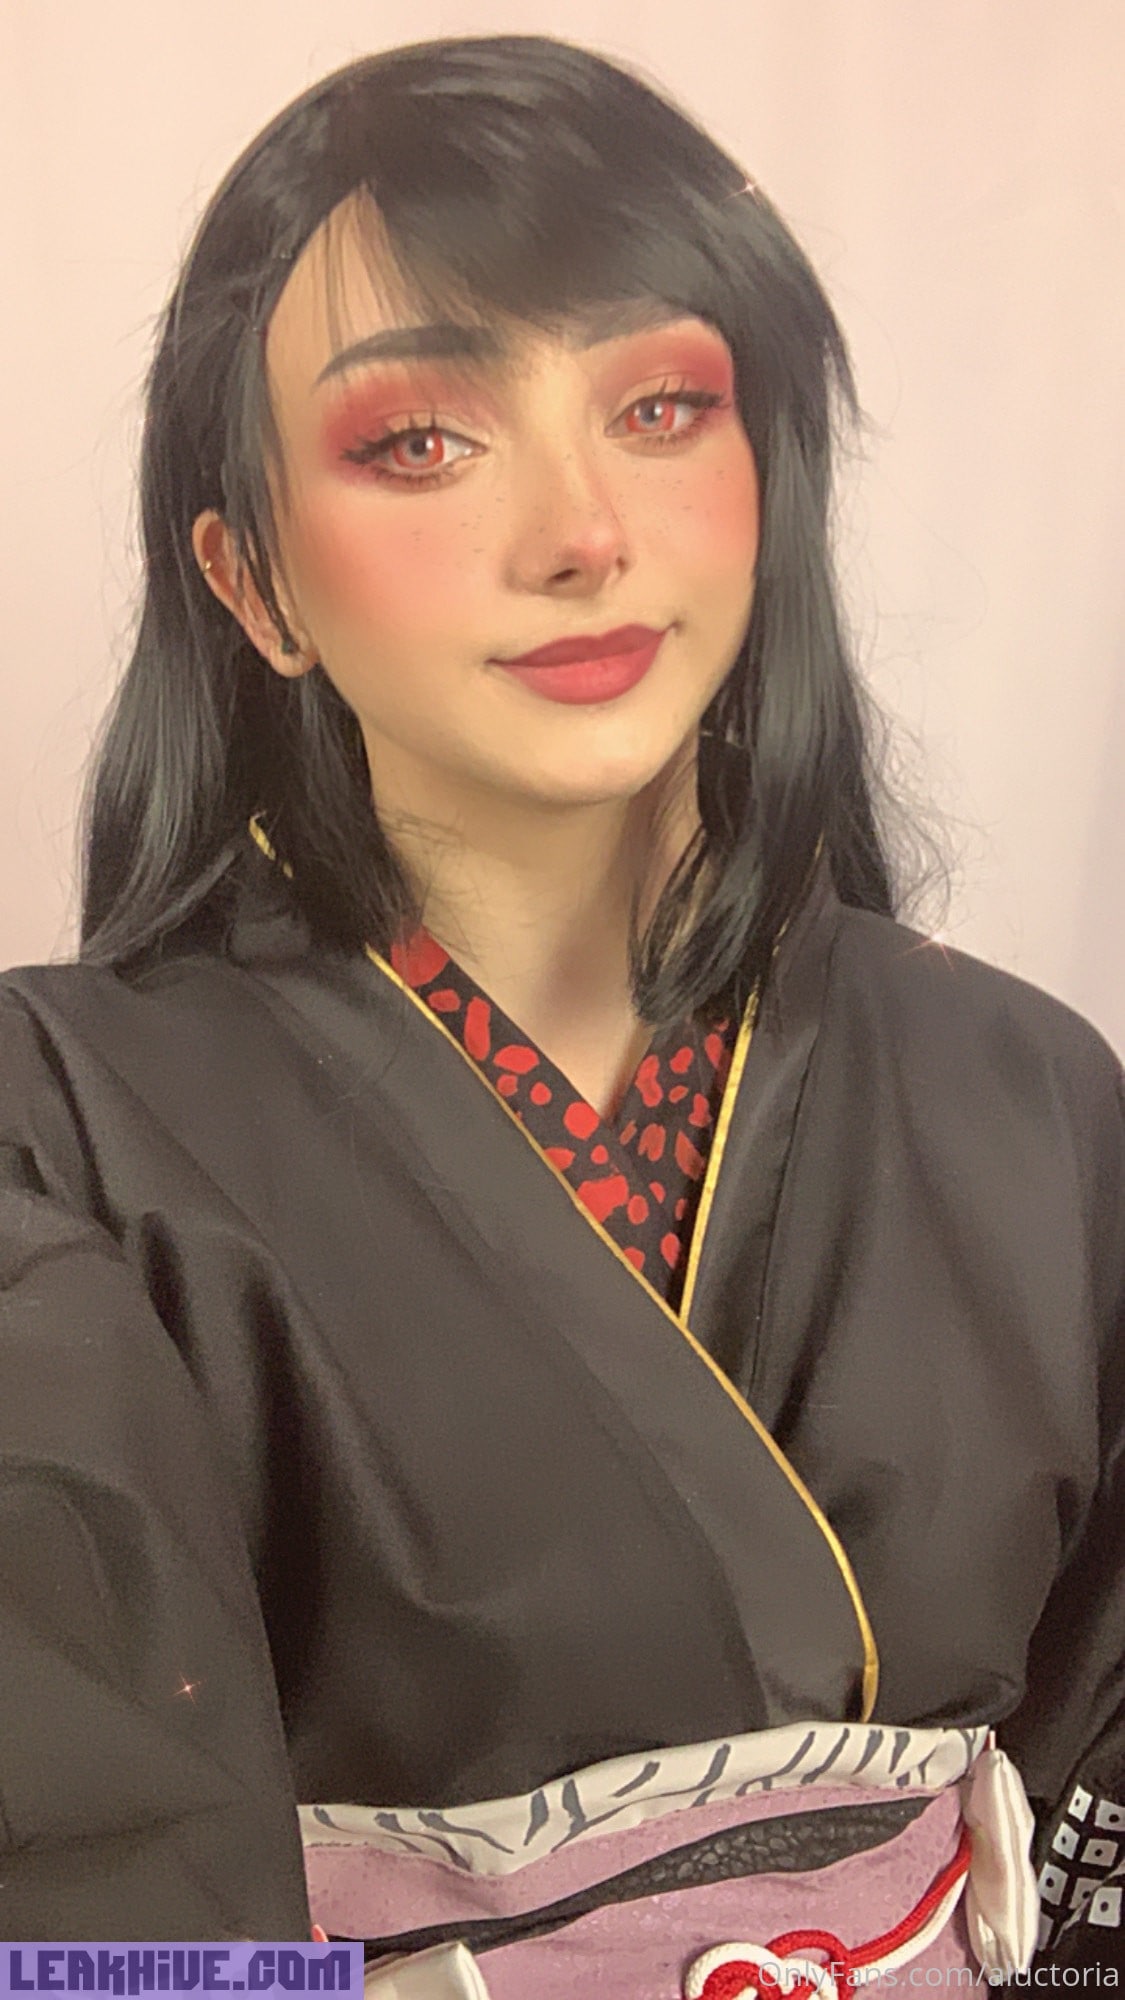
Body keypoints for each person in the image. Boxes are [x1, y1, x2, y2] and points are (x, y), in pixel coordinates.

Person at [0, 30, 1121, 1990]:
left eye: (660, 408)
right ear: (254, 582)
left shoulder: (1024, 1084)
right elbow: (84, 1873)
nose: (580, 532)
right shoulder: (51, 1119)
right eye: (420, 442)